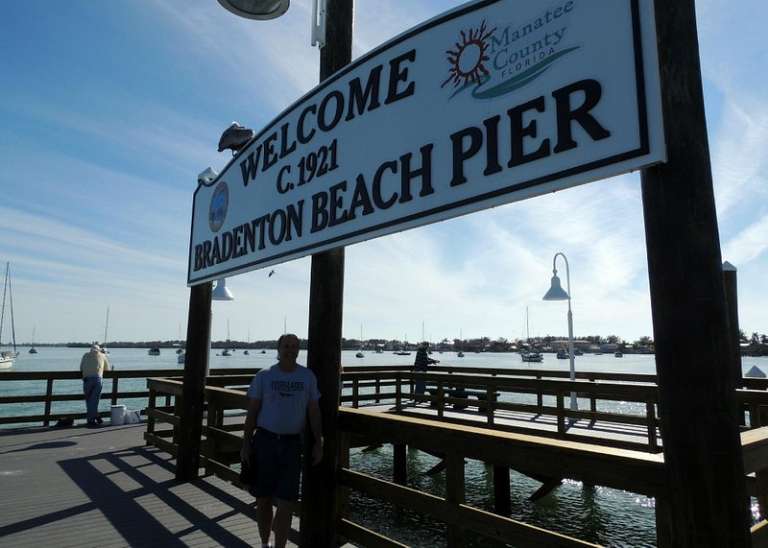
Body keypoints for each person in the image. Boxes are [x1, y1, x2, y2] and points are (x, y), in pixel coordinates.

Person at [241, 334, 322, 548]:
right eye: (286, 346)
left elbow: (314, 412)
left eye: (294, 346)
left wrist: (318, 443)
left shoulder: (307, 377)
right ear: (278, 349)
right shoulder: (264, 376)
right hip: (265, 441)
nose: (290, 350)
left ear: (298, 350)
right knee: (264, 499)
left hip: (292, 444)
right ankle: (264, 542)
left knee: (287, 502)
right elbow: (252, 412)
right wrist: (246, 443)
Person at [79, 343, 110, 425]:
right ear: (99, 350)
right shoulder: (102, 355)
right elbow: (107, 369)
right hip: (97, 379)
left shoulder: (85, 355)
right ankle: (94, 418)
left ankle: (92, 419)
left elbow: (81, 367)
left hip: (86, 379)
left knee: (88, 400)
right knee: (94, 400)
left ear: (90, 350)